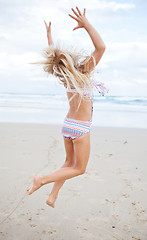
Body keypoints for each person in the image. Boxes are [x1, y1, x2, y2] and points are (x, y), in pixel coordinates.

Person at [27, 7, 107, 208]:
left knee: (67, 163)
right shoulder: (83, 72)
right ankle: (42, 180)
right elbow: (101, 48)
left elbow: (55, 57)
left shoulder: (64, 77)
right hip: (80, 128)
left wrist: (49, 36)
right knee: (79, 168)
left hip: (68, 125)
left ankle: (52, 196)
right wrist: (86, 24)